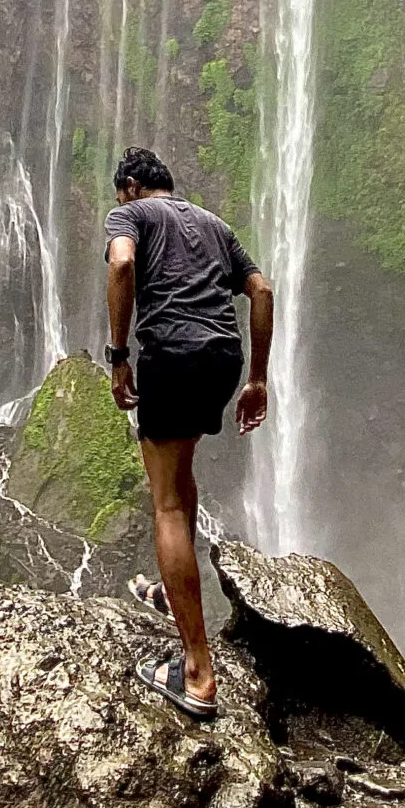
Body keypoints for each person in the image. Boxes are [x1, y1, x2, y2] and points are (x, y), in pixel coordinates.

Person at [103, 145, 272, 722]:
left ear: (129, 186)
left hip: (171, 356)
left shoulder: (131, 216)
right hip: (224, 359)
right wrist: (257, 380)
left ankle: (197, 674)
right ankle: (177, 599)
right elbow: (263, 291)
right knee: (182, 473)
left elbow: (122, 264)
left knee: (167, 505)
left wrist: (118, 355)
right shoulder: (215, 224)